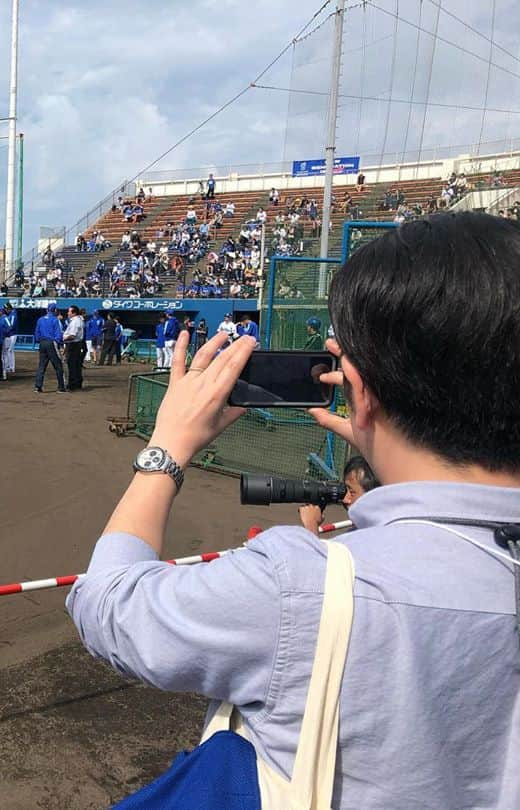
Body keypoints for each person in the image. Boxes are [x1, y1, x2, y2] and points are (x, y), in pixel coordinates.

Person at [67, 212, 520, 809]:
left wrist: (168, 446)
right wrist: (388, 435)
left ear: (359, 389)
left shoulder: (298, 584)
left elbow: (108, 602)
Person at [299, 455, 380, 533]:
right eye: (345, 490)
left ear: (373, 495)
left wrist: (311, 526)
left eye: (352, 492)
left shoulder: (376, 535)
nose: (345, 500)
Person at [33, 302, 66, 393]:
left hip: (42, 343)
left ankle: (38, 387)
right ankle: (61, 387)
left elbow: (37, 333)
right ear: (55, 310)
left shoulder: (40, 319)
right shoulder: (55, 320)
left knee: (41, 366)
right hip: (52, 343)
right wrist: (60, 344)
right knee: (58, 365)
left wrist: (39, 340)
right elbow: (59, 334)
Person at [62, 305, 86, 391]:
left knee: (72, 365)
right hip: (75, 344)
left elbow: (72, 335)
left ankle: (72, 385)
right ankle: (77, 383)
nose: (68, 313)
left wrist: (63, 338)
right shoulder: (78, 320)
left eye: (69, 311)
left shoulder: (76, 321)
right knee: (76, 365)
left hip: (73, 344)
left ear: (74, 313)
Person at [1, 302, 18, 376]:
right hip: (10, 335)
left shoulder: (13, 315)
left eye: (6, 309)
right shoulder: (11, 314)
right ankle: (10, 366)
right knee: (9, 351)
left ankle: (11, 367)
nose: (6, 310)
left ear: (9, 308)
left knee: (10, 351)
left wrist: (5, 332)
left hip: (12, 335)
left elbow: (11, 326)